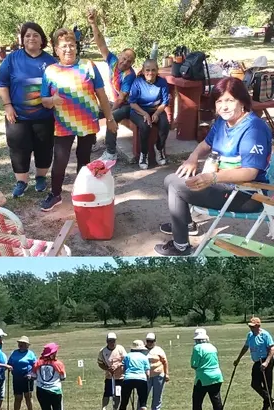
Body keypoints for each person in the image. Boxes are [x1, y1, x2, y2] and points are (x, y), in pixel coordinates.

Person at [156, 77, 272, 255]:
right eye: (219, 101)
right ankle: (186, 225)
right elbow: (206, 144)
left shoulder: (253, 129)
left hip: (247, 194)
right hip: (223, 185)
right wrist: (193, 158)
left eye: (229, 100)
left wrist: (213, 177)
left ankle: (181, 247)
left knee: (175, 185)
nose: (224, 107)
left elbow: (250, 172)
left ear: (242, 101)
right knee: (171, 180)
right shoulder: (222, 122)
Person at [40, 28, 117, 212]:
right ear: (56, 49)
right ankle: (55, 194)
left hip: (87, 122)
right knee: (60, 159)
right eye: (64, 46)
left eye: (72, 45)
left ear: (77, 46)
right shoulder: (50, 71)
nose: (69, 49)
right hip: (63, 124)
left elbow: (101, 95)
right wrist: (52, 100)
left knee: (84, 158)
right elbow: (44, 101)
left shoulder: (88, 65)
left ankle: (82, 191)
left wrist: (110, 118)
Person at [0, 22, 57, 198]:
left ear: (42, 39)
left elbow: (58, 86)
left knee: (44, 147)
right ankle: (21, 182)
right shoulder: (12, 59)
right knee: (18, 148)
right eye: (28, 35)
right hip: (17, 115)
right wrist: (7, 106)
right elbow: (2, 84)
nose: (31, 38)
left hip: (44, 115)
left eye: (35, 35)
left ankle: (40, 178)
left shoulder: (50, 61)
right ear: (23, 39)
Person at [87, 9, 136, 162]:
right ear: (119, 55)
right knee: (91, 109)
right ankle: (91, 141)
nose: (125, 62)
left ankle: (111, 152)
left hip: (128, 106)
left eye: (129, 61)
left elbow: (121, 100)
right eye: (124, 57)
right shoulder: (113, 61)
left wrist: (108, 113)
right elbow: (101, 43)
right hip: (115, 102)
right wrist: (93, 23)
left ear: (132, 64)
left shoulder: (129, 75)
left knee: (112, 117)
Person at [129, 60, 171, 169]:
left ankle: (159, 148)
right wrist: (144, 114)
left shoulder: (162, 82)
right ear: (143, 71)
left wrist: (157, 113)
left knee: (165, 124)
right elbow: (132, 103)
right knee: (145, 126)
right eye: (147, 70)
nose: (150, 73)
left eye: (153, 70)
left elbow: (164, 102)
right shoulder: (137, 82)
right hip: (138, 110)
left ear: (157, 71)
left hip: (156, 109)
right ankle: (144, 154)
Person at [233, 317, 274, 410]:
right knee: (255, 384)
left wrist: (266, 362)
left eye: (252, 326)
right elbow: (246, 347)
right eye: (250, 326)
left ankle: (266, 405)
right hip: (257, 361)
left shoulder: (265, 335)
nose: (250, 328)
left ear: (258, 326)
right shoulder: (250, 335)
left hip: (266, 360)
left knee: (267, 384)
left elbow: (272, 349)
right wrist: (238, 359)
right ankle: (270, 400)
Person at [30, 343, 67, 410]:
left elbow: (33, 376)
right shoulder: (58, 364)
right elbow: (63, 377)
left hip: (41, 390)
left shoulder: (37, 363)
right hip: (55, 391)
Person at [191, 328, 225, 410]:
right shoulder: (212, 347)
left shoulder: (197, 348)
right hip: (217, 376)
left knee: (197, 400)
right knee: (216, 399)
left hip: (203, 377)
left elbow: (194, 364)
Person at [115, 340, 151, 410]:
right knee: (143, 402)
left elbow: (123, 369)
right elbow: (148, 372)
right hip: (141, 379)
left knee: (124, 401)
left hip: (128, 379)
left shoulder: (127, 356)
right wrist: (147, 379)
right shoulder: (144, 357)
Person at [8, 336, 37, 410]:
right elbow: (10, 363)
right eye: (20, 343)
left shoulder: (30, 353)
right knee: (17, 397)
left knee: (28, 396)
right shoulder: (14, 353)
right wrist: (9, 367)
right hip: (17, 377)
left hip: (27, 377)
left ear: (27, 345)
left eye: (23, 344)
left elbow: (35, 365)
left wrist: (31, 374)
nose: (21, 345)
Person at [97, 332, 127, 410]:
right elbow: (100, 363)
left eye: (113, 341)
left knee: (117, 393)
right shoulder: (103, 351)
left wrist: (117, 366)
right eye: (110, 341)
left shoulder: (120, 349)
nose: (112, 342)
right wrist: (107, 369)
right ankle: (103, 408)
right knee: (107, 392)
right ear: (107, 341)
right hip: (109, 376)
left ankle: (115, 409)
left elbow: (125, 360)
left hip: (120, 376)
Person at [145, 333, 170, 410]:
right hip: (145, 375)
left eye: (151, 341)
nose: (149, 343)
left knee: (157, 393)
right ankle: (140, 409)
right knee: (143, 393)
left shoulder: (159, 350)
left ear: (154, 341)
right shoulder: (142, 350)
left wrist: (166, 374)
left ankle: (155, 409)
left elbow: (165, 362)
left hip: (158, 374)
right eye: (148, 341)